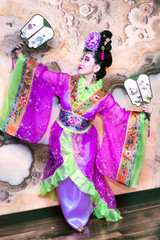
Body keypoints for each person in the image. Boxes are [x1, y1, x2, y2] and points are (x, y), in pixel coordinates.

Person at [0, 30, 152, 233]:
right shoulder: (66, 81)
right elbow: (41, 74)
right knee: (66, 178)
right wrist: (20, 58)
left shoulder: (103, 98)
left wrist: (142, 116)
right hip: (61, 136)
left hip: (86, 142)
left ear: (96, 67)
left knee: (83, 177)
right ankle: (75, 218)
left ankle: (83, 213)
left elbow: (120, 117)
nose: (81, 62)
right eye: (82, 57)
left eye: (86, 59)